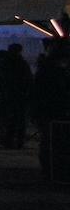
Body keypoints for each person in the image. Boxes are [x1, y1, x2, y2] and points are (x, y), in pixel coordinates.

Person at [30, 47, 70, 180]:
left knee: (48, 141)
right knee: (53, 141)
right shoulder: (55, 74)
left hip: (46, 112)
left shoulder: (44, 72)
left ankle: (51, 168)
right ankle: (54, 169)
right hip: (52, 111)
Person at [0, 43, 32, 148]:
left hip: (7, 96)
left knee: (8, 120)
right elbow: (28, 79)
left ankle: (8, 140)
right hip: (20, 96)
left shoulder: (3, 64)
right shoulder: (22, 64)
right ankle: (19, 141)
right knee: (20, 121)